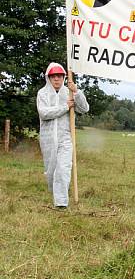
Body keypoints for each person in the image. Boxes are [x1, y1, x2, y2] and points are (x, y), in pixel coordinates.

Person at [37, 63, 89, 209]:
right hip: (47, 139)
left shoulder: (69, 92)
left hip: (65, 137)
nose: (57, 79)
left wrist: (77, 92)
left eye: (59, 76)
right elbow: (44, 113)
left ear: (64, 77)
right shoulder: (42, 94)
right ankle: (55, 190)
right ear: (49, 77)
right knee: (51, 170)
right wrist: (65, 107)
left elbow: (84, 109)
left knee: (64, 167)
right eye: (53, 76)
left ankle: (61, 202)